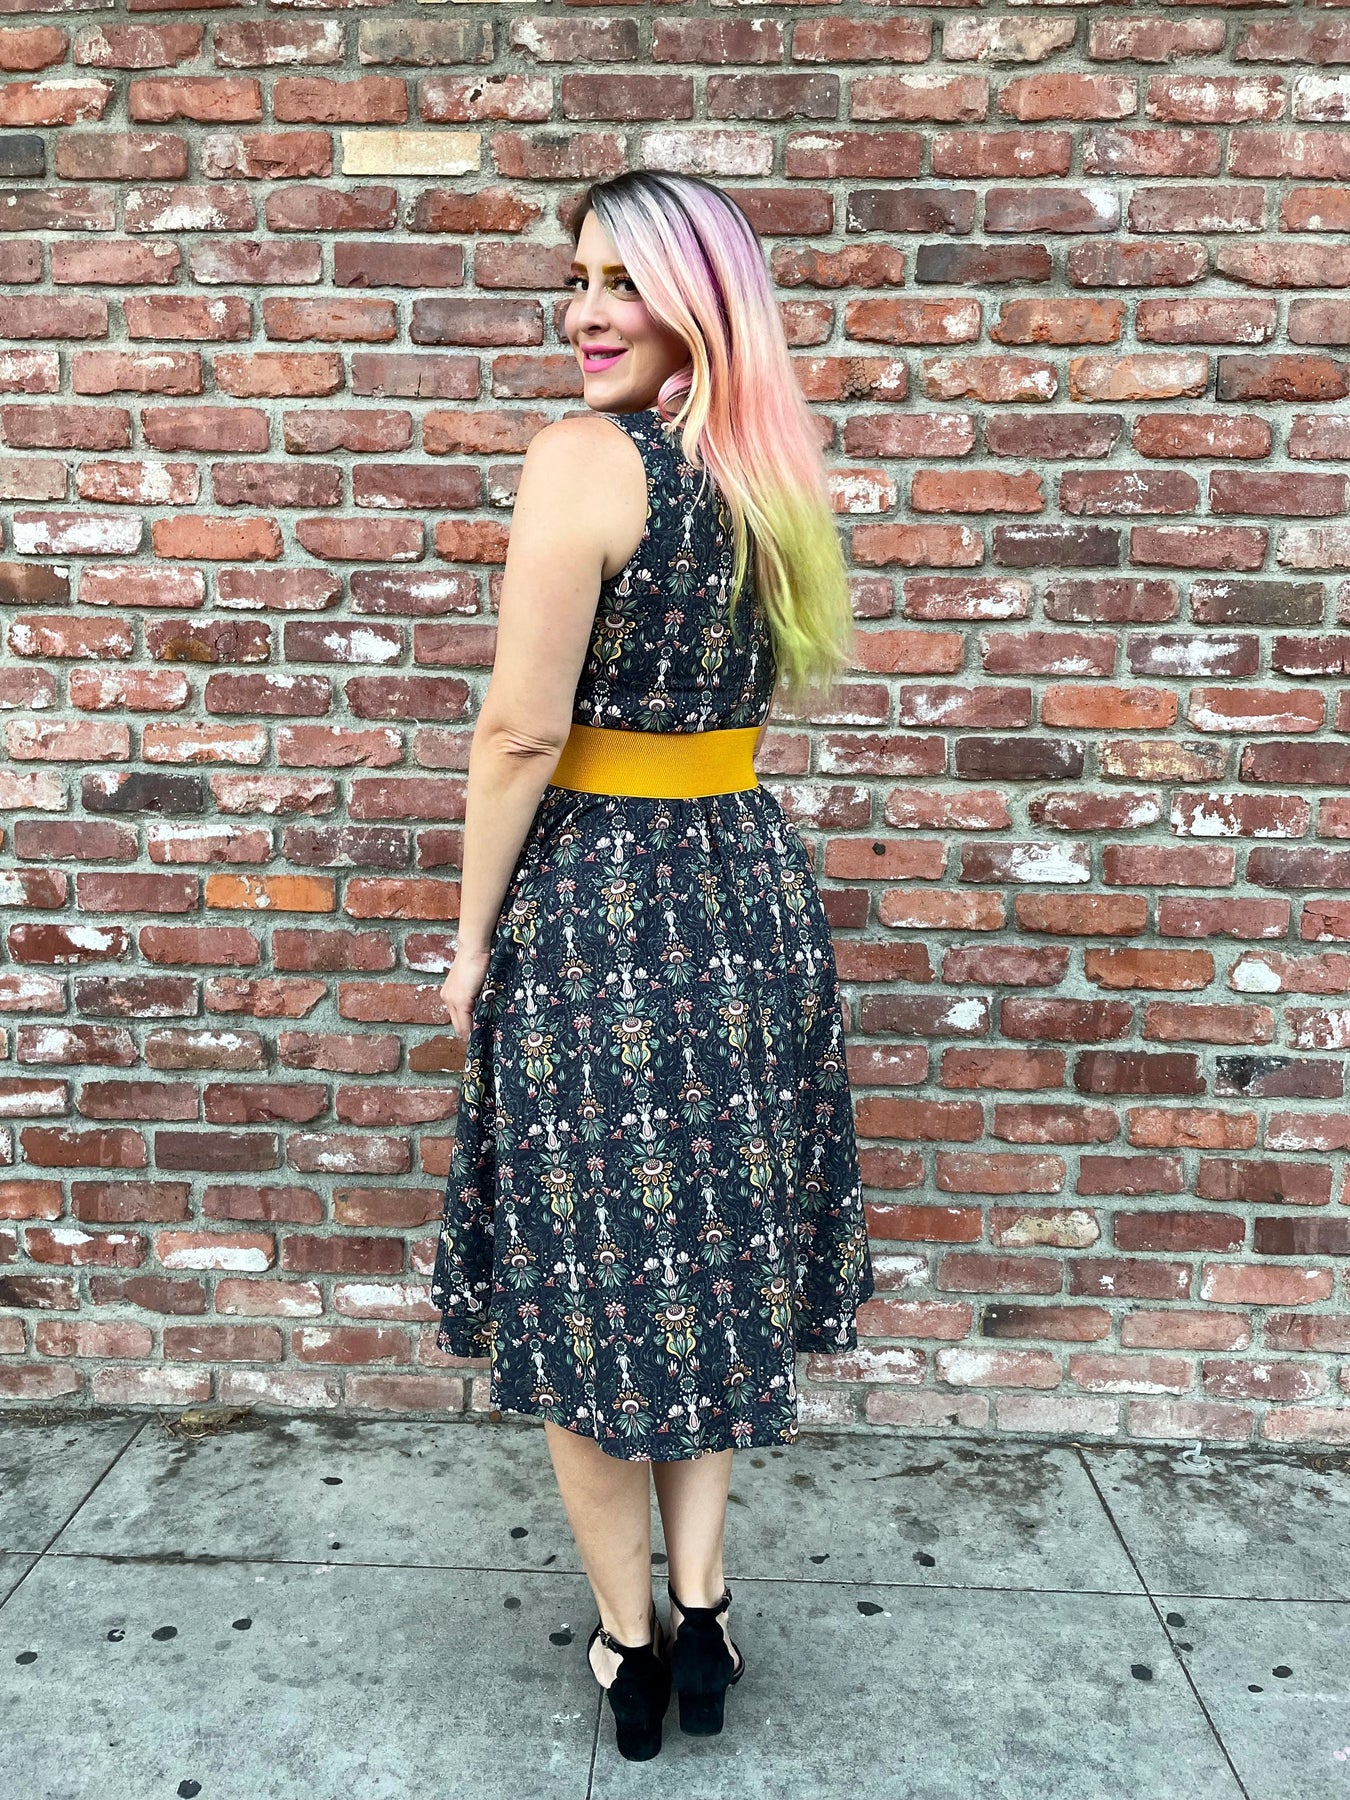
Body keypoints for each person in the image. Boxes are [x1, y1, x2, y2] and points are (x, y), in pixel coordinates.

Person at [432, 170, 875, 1761]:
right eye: (576, 279)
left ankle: (630, 1646)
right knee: (706, 1270)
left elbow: (520, 731)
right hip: (748, 895)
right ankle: (706, 1614)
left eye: (622, 280)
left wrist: (469, 939)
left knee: (587, 1292)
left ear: (699, 297)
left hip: (604, 912)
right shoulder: (772, 474)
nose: (585, 311)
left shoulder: (582, 461)